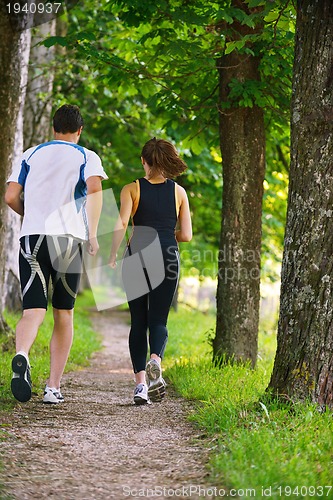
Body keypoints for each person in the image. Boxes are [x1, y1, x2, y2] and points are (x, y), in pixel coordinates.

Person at [5, 104, 108, 404]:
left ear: (53, 128)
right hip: (67, 239)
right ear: (79, 130)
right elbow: (95, 191)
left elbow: (11, 196)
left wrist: (29, 217)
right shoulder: (86, 156)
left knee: (32, 310)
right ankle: (53, 388)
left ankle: (21, 354)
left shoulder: (30, 154)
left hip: (32, 237)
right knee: (63, 312)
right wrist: (93, 234)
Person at [109, 138, 192, 405]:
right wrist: (168, 234)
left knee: (138, 321)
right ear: (167, 162)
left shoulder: (131, 189)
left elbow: (123, 222)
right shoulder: (179, 192)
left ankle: (141, 386)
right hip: (168, 256)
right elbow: (187, 235)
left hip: (137, 257)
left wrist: (112, 255)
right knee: (159, 321)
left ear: (144, 161)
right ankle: (156, 359)